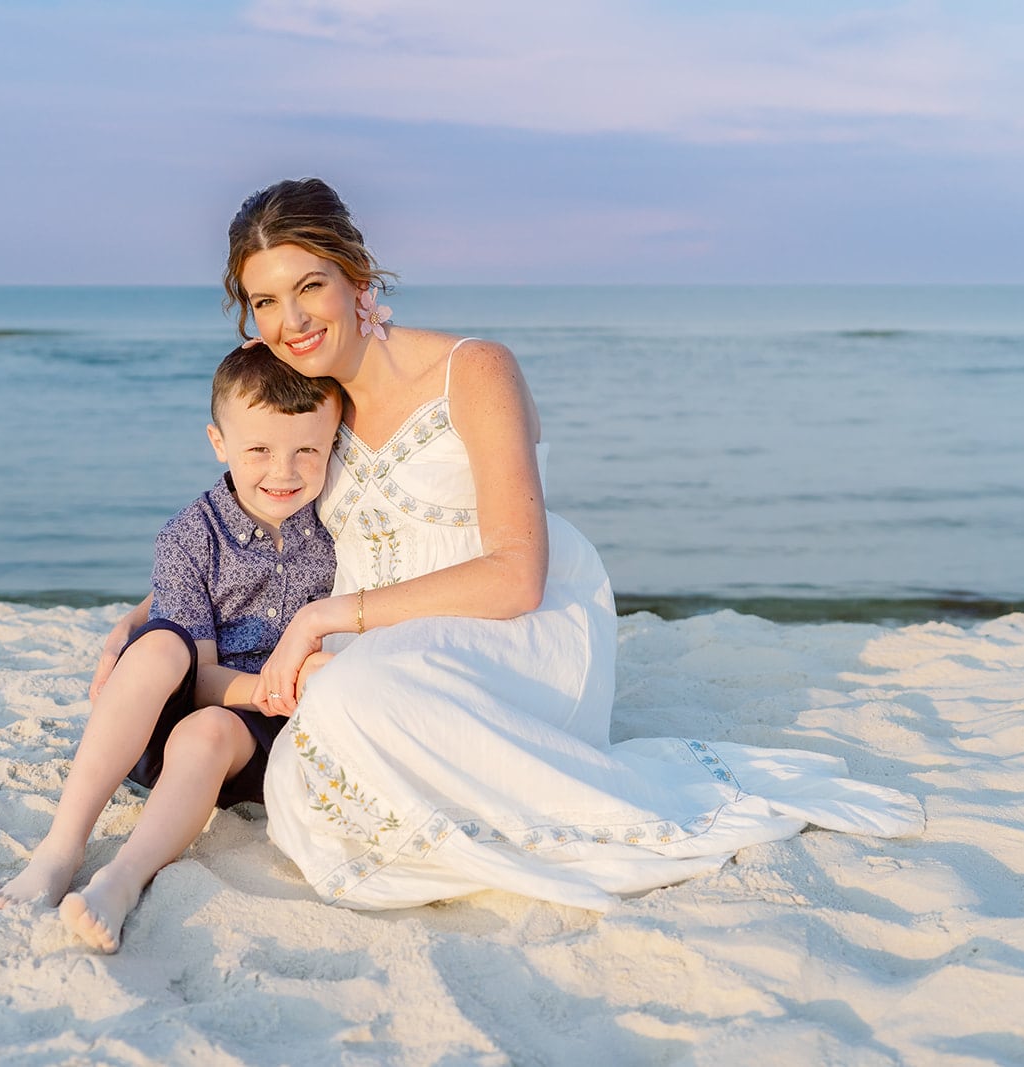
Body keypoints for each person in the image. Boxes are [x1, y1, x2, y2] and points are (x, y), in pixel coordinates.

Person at [224, 177, 925, 911]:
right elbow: (242, 527)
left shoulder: (474, 369)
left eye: (311, 286)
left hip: (518, 635)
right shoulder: (303, 402)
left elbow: (517, 576)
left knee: (350, 696)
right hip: (385, 647)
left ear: (357, 277)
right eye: (266, 302)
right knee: (314, 756)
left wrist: (319, 618)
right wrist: (160, 611)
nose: (292, 319)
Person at [0, 342, 341, 952]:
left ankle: (121, 881)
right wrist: (269, 684)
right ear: (219, 443)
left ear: (333, 445)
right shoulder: (189, 535)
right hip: (170, 726)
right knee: (156, 648)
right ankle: (61, 845)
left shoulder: (340, 527)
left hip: (257, 746)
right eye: (258, 449)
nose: (283, 472)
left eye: (307, 450)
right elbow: (199, 675)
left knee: (210, 730)